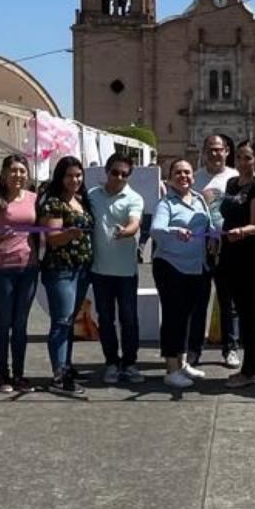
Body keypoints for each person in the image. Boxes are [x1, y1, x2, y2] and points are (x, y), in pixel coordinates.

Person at [151, 159, 218, 389]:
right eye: (178, 172)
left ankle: (183, 363)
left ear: (193, 176)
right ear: (170, 178)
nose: (183, 176)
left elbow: (208, 225)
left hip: (197, 267)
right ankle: (171, 370)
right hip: (171, 266)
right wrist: (175, 230)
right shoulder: (165, 204)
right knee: (173, 317)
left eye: (187, 172)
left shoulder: (199, 199)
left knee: (189, 317)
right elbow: (156, 229)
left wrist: (214, 236)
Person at [0, 154, 40, 394]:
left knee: (21, 323)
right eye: (13, 170)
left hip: (28, 268)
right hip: (0, 269)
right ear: (3, 174)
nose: (18, 175)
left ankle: (19, 374)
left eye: (22, 171)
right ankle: (4, 375)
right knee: (4, 322)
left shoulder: (34, 198)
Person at [219, 141, 255, 389]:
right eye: (239, 157)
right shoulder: (232, 183)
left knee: (249, 313)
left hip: (251, 253)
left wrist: (241, 231)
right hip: (231, 251)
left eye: (248, 158)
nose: (242, 162)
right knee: (242, 311)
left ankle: (249, 370)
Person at [37, 156, 95, 394]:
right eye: (69, 175)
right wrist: (68, 234)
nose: (75, 180)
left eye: (78, 175)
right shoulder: (53, 203)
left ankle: (66, 366)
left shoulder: (80, 200)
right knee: (61, 322)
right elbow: (52, 238)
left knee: (69, 321)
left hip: (81, 269)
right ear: (60, 178)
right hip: (61, 269)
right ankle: (59, 376)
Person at [88, 152, 146, 385]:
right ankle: (111, 362)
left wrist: (127, 231)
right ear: (107, 171)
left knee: (129, 319)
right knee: (105, 319)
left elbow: (134, 223)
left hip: (126, 272)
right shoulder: (92, 195)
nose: (119, 177)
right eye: (115, 172)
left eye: (124, 174)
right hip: (99, 270)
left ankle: (130, 363)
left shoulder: (134, 198)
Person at [193, 134, 240, 369]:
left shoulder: (235, 177)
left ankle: (230, 348)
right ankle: (194, 349)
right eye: (210, 149)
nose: (215, 154)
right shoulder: (194, 178)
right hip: (200, 246)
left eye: (219, 149)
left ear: (227, 151)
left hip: (228, 246)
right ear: (204, 152)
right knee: (198, 299)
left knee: (227, 299)